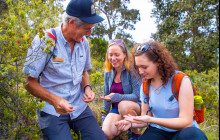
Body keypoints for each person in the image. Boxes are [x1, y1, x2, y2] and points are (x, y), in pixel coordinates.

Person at [23, 0, 107, 139]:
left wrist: (87, 87)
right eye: (87, 29)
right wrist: (55, 100)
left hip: (79, 107)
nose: (90, 33)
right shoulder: (45, 40)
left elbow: (83, 71)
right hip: (51, 110)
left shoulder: (83, 43)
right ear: (72, 23)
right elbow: (28, 81)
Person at [115, 41, 208, 140]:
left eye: (144, 67)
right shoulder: (146, 85)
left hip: (184, 131)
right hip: (159, 130)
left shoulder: (180, 81)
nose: (140, 72)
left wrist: (153, 119)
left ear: (159, 62)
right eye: (138, 67)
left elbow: (186, 121)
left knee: (192, 136)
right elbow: (146, 119)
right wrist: (130, 123)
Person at [100, 39, 141, 140]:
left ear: (124, 55)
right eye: (110, 55)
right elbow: (106, 97)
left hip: (134, 107)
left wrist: (116, 97)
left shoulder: (132, 70)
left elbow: (137, 95)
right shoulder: (108, 73)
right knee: (107, 133)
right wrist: (103, 119)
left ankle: (134, 134)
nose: (113, 58)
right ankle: (124, 127)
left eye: (117, 55)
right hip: (116, 109)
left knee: (124, 105)